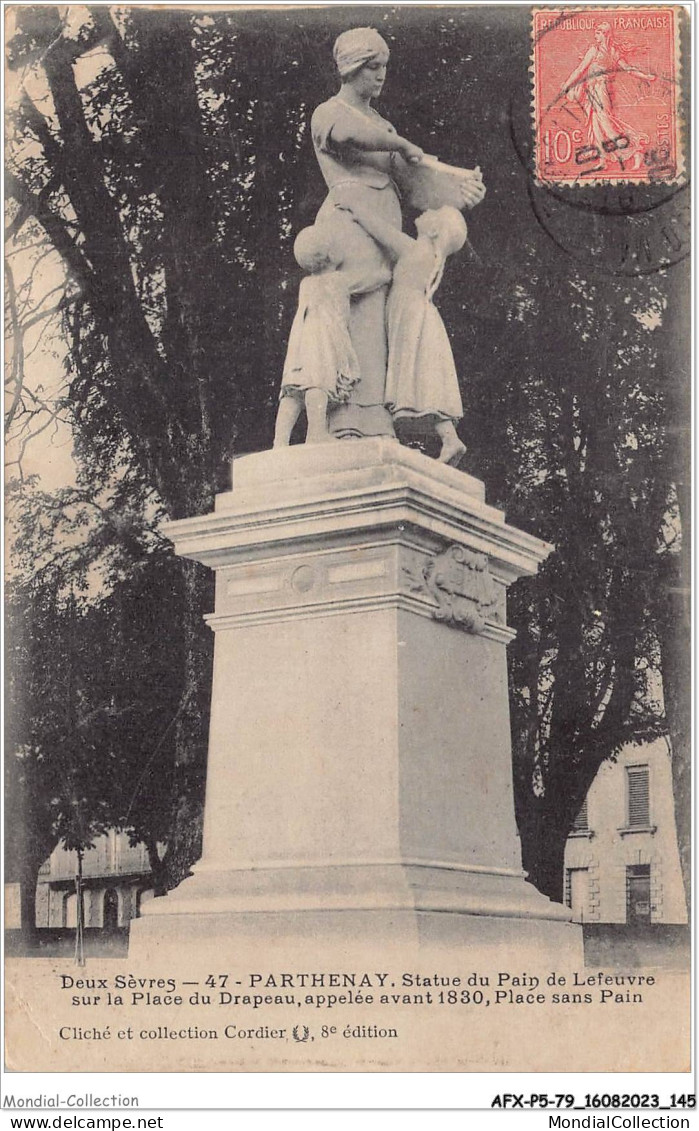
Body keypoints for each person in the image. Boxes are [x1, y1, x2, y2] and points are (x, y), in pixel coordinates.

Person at [311, 27, 484, 438]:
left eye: (384, 67)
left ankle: (374, 421)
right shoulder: (329, 111)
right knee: (353, 312)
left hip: (384, 226)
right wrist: (400, 142)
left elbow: (415, 183)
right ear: (352, 67)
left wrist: (459, 191)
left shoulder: (383, 125)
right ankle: (344, 419)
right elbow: (349, 136)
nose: (381, 75)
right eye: (373, 66)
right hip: (348, 220)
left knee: (377, 323)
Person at [335, 194, 469, 466]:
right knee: (424, 380)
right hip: (420, 319)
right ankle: (449, 438)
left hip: (411, 322)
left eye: (434, 211)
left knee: (417, 377)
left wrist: (357, 206)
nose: (426, 209)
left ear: (433, 230)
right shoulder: (427, 254)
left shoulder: (414, 249)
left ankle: (450, 440)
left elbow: (381, 231)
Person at [273, 223, 390, 447]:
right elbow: (367, 280)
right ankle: (316, 433)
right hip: (323, 342)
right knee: (318, 384)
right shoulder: (338, 281)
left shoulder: (306, 283)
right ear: (330, 255)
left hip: (300, 346)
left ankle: (280, 441)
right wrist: (384, 273)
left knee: (293, 390)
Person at [561, 22, 658, 172]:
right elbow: (580, 69)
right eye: (595, 32)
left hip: (601, 90)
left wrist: (645, 76)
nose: (596, 35)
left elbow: (628, 69)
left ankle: (636, 150)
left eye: (598, 32)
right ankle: (603, 160)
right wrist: (567, 84)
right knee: (596, 126)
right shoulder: (594, 50)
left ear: (605, 34)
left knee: (607, 124)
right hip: (590, 92)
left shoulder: (612, 52)